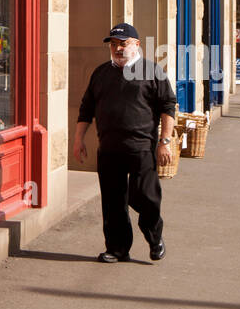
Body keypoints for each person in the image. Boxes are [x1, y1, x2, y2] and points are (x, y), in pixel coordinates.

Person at [73, 22, 177, 263]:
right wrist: (78, 139)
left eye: (123, 43)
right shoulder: (100, 73)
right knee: (112, 202)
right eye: (113, 44)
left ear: (137, 45)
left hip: (141, 148)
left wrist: (165, 141)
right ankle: (118, 248)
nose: (118, 48)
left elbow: (168, 107)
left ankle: (154, 237)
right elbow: (86, 109)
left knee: (146, 197)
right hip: (109, 148)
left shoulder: (153, 72)